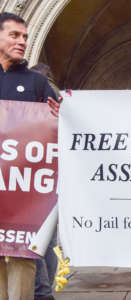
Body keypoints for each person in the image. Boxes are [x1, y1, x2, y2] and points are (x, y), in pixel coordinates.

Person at [0, 12, 60, 300]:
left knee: (23, 275)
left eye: (25, 36)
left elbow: (57, 125)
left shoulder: (36, 83)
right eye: (14, 35)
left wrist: (62, 116)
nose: (22, 41)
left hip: (22, 201)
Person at [30, 63, 60, 300]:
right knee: (47, 238)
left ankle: (42, 291)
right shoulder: (56, 96)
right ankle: (45, 289)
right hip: (49, 178)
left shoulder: (42, 96)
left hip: (34, 174)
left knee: (35, 238)